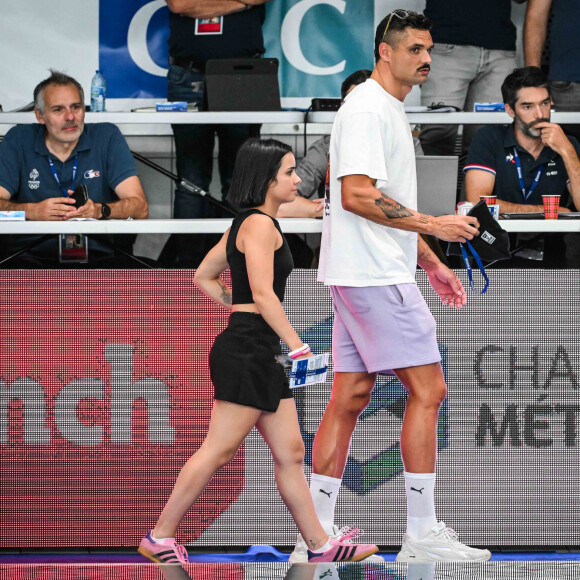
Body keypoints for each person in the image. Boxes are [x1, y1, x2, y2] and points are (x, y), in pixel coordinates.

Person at [293, 10, 491, 564]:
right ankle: (421, 534)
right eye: (415, 49)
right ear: (385, 51)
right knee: (429, 392)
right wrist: (436, 227)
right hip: (373, 276)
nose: (426, 59)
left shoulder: (387, 109)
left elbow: (378, 202)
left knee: (350, 398)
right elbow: (356, 194)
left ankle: (316, 538)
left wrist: (428, 260)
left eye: (430, 49)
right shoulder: (366, 109)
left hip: (369, 270)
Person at [138, 138, 378, 565]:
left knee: (291, 453)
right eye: (289, 172)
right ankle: (159, 537)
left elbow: (204, 277)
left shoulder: (249, 222)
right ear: (267, 179)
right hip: (250, 346)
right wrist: (297, 345)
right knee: (218, 449)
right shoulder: (260, 226)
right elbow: (265, 296)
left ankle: (320, 545)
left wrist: (239, 304)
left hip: (256, 343)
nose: (296, 178)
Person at [159, 0, 271, 269]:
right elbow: (178, 4)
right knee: (190, 182)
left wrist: (199, 5)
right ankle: (187, 272)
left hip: (243, 74)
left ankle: (241, 266)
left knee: (241, 180)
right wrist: (239, 5)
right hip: (188, 74)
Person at [0, 70, 149, 268]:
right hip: (28, 258)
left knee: (163, 282)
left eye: (76, 107)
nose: (70, 117)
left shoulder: (107, 136)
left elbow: (140, 208)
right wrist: (31, 211)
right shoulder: (18, 138)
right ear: (40, 116)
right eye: (58, 109)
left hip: (100, 259)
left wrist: (99, 210)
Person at [464, 66, 580, 267]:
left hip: (551, 252)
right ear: (510, 110)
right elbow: (478, 203)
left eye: (544, 104)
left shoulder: (567, 143)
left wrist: (567, 151)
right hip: (494, 249)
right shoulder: (489, 137)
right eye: (528, 107)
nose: (540, 114)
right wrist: (548, 211)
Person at [419, 0, 527, 157]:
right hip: (446, 43)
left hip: (499, 47)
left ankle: (472, 182)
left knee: (487, 141)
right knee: (437, 137)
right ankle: (437, 182)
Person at [524, 0, 580, 133]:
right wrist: (534, 80)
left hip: (566, 75)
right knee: (559, 149)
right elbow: (536, 18)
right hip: (567, 78)